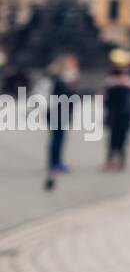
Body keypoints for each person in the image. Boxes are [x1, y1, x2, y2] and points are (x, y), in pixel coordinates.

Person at [44, 54, 79, 190]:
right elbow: (66, 97)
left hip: (56, 113)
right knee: (58, 138)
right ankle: (55, 163)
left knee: (56, 138)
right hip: (58, 113)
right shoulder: (60, 81)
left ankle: (55, 162)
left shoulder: (54, 79)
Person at [103, 66, 130, 171]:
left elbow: (106, 102)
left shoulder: (110, 86)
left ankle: (110, 161)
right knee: (122, 140)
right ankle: (121, 161)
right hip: (125, 117)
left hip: (114, 116)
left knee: (112, 140)